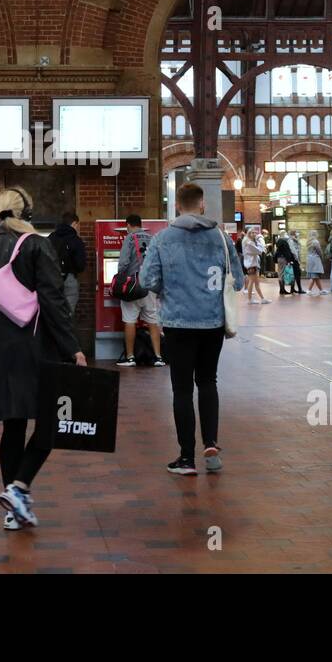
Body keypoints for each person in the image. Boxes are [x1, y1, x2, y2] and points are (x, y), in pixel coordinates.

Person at [0, 187, 86, 532]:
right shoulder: (39, 246)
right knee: (51, 422)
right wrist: (73, 347)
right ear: (28, 213)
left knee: (13, 424)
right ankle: (18, 487)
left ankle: (13, 507)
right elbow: (53, 301)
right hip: (36, 349)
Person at [140, 184, 244, 475]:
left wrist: (169, 289)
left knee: (182, 389)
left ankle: (186, 458)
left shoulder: (162, 239)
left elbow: (147, 279)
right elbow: (238, 280)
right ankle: (210, 443)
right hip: (213, 324)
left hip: (178, 324)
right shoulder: (221, 238)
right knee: (208, 382)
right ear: (201, 206)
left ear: (177, 207)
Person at [116, 213, 164, 367]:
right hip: (150, 286)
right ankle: (158, 357)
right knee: (152, 320)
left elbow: (123, 263)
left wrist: (120, 279)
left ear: (128, 225)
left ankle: (130, 358)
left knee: (130, 320)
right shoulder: (153, 239)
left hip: (133, 287)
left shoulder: (129, 239)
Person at [48, 210, 87, 316]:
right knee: (69, 312)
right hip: (70, 278)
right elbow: (80, 265)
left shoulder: (51, 237)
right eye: (78, 225)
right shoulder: (76, 240)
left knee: (54, 312)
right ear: (74, 223)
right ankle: (66, 331)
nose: (79, 228)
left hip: (52, 279)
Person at [242, 226, 270, 304]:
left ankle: (259, 298)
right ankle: (255, 299)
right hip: (251, 264)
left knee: (255, 282)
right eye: (253, 232)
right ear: (249, 233)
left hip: (251, 264)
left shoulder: (247, 241)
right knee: (253, 282)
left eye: (255, 232)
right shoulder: (249, 242)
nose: (255, 234)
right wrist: (261, 243)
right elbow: (259, 251)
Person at [275, 231, 302, 296]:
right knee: (288, 273)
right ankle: (284, 290)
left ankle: (282, 289)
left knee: (280, 273)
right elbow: (288, 251)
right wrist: (290, 259)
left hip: (279, 258)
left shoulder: (278, 241)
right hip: (284, 258)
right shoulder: (286, 241)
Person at [305, 231, 326, 295]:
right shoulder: (315, 241)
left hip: (309, 259)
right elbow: (319, 250)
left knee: (316, 276)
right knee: (314, 276)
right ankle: (309, 290)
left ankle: (321, 290)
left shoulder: (308, 242)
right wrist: (322, 257)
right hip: (315, 259)